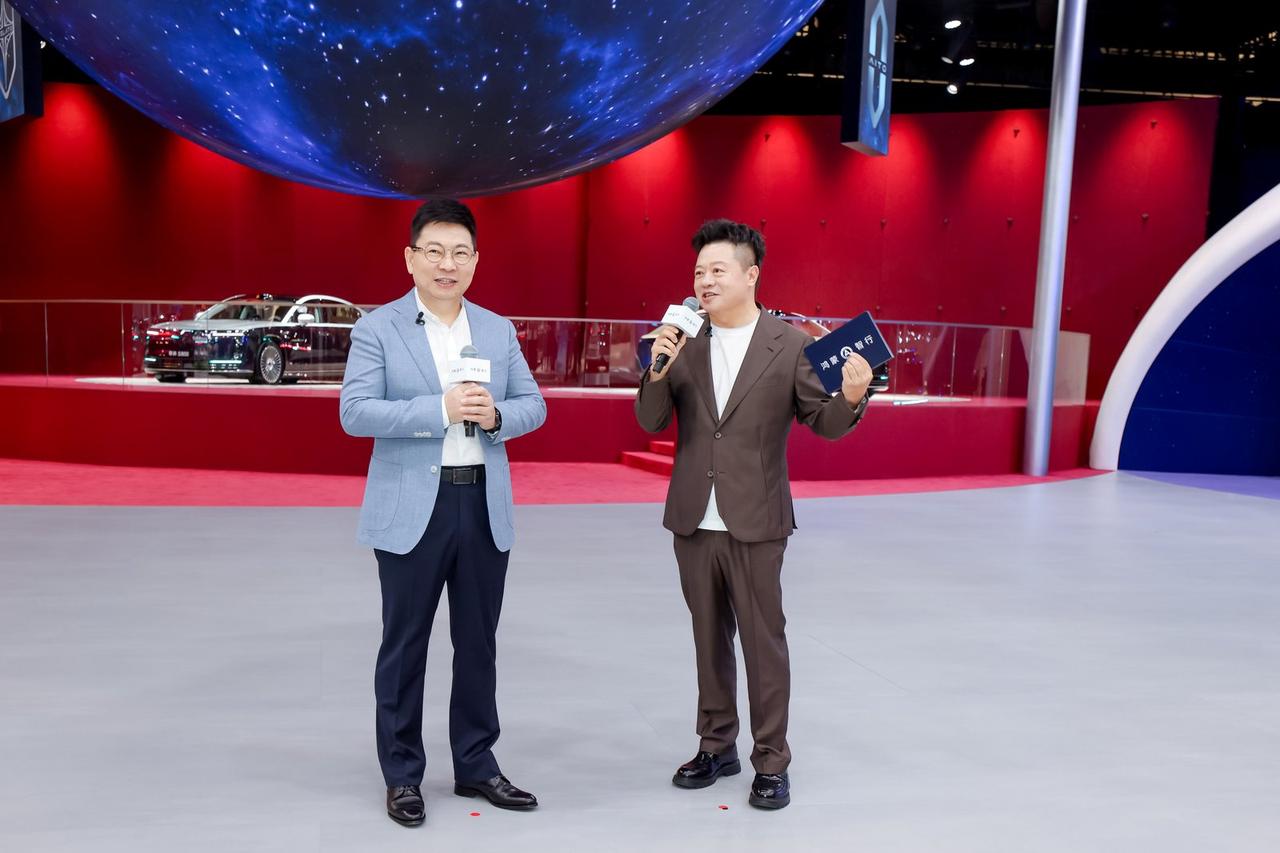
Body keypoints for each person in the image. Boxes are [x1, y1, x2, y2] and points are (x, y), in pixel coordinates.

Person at [635, 219, 873, 810]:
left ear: (751, 275)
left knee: (764, 643)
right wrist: (657, 366)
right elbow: (650, 420)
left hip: (757, 519)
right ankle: (716, 746)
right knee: (707, 638)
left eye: (717, 270)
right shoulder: (684, 340)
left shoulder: (789, 345)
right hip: (693, 519)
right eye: (699, 272)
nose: (705, 281)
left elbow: (823, 423)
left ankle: (771, 761)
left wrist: (851, 397)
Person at [340, 198, 546, 827]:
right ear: (411, 259)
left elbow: (534, 404)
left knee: (478, 642)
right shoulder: (378, 328)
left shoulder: (498, 330)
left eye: (460, 253)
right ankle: (403, 774)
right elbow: (355, 412)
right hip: (412, 508)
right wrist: (441, 408)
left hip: (481, 502)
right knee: (404, 645)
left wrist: (498, 415)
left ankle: (477, 764)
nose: (447, 264)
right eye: (434, 252)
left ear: (476, 262)